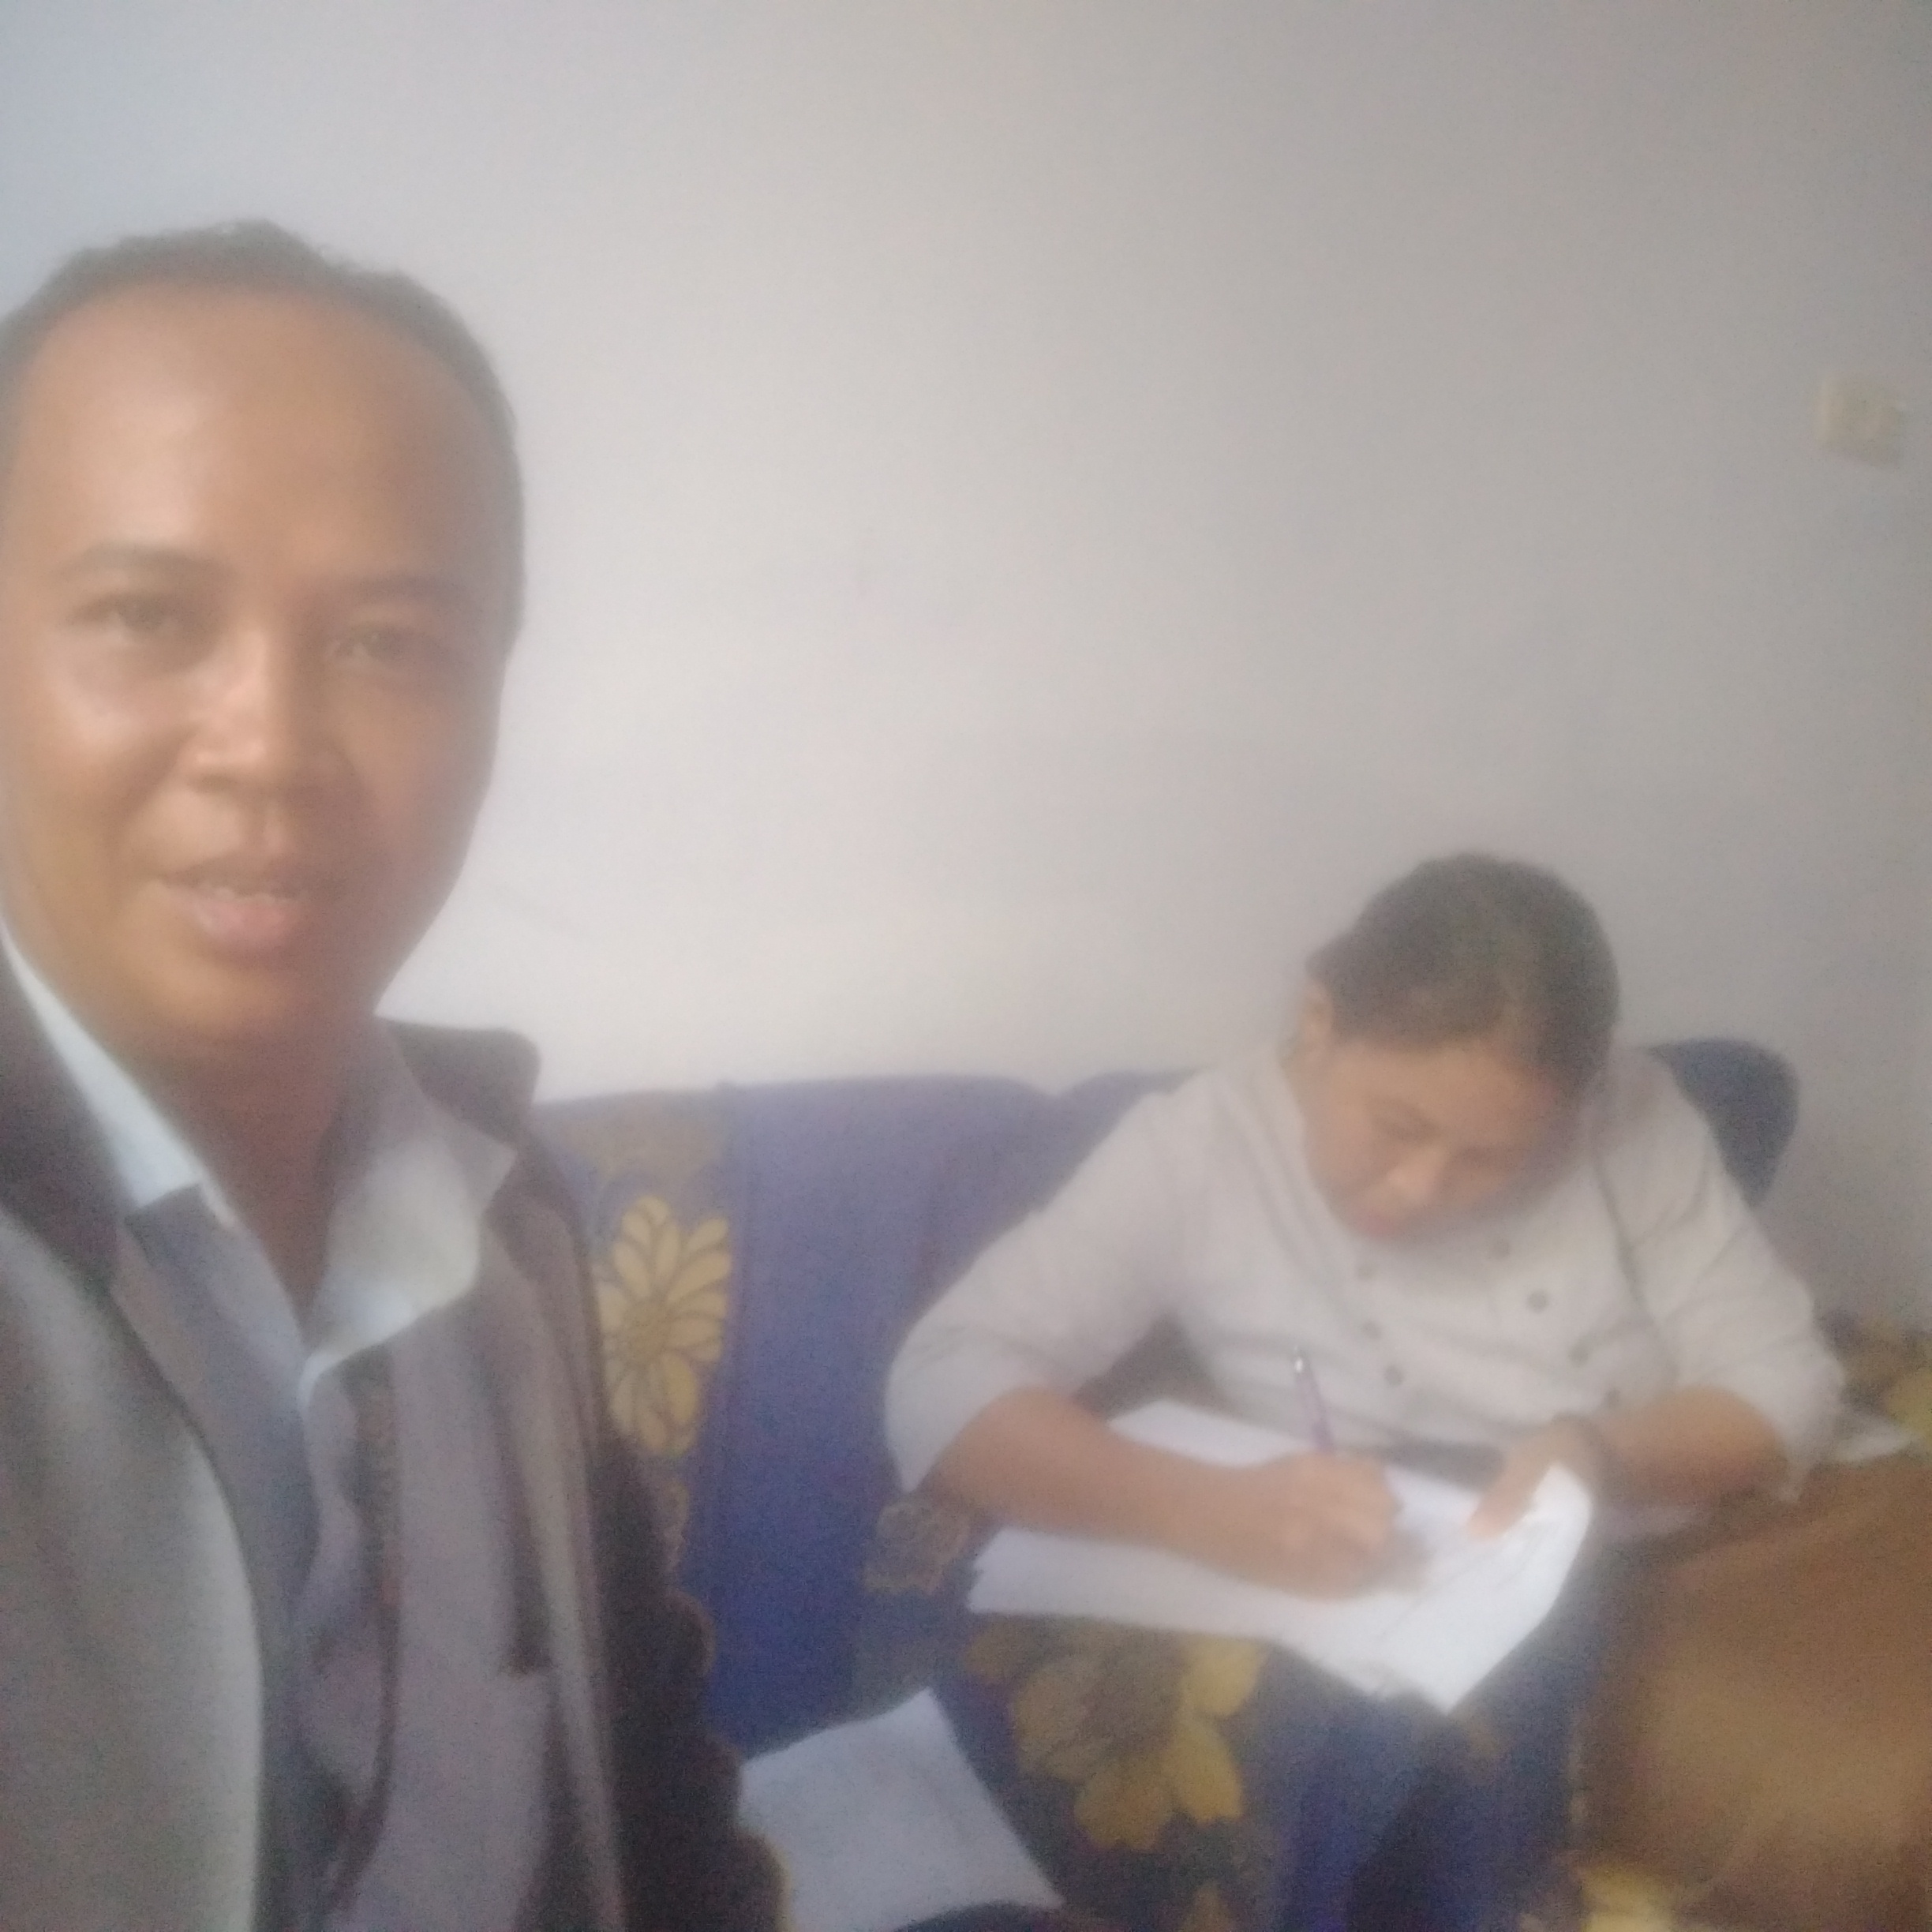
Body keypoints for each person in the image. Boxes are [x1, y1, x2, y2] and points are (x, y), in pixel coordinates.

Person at [0, 223, 779, 1932]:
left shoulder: (511, 1219)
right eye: (145, 617)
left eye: (390, 645)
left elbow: (644, 1787)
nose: (270, 747)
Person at [886, 852, 1845, 1927]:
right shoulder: (1198, 1151)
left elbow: (1786, 1382)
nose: (1421, 1190)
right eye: (1398, 1126)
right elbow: (944, 1375)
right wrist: (1202, 1510)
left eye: (1494, 1159)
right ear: (1318, 1021)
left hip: (1675, 1510)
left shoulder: (1631, 1112)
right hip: (1425, 1578)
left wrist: (1599, 1453)